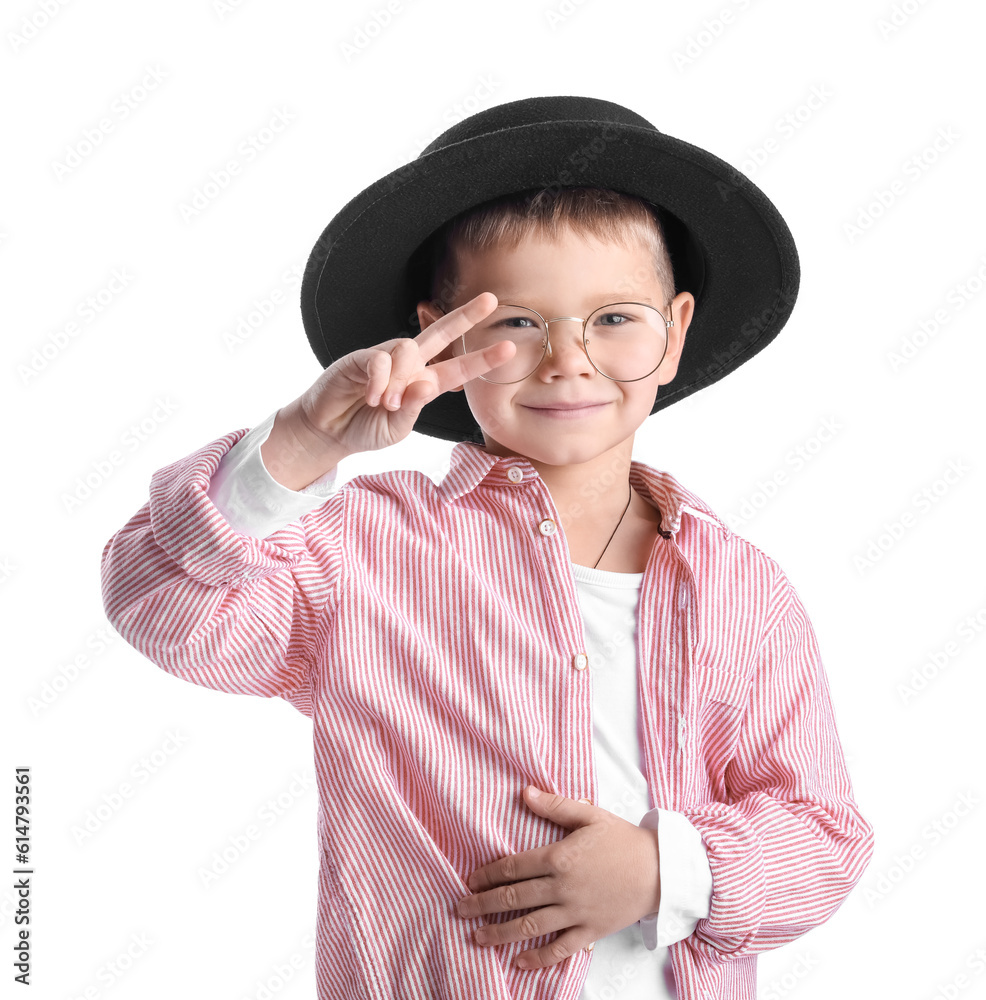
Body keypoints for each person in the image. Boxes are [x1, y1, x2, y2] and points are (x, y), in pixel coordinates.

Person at [100, 95, 874, 1000]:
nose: (567, 360)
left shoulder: (740, 586)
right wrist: (304, 442)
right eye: (515, 322)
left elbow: (823, 834)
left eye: (615, 318)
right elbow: (165, 606)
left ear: (677, 333)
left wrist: (664, 870)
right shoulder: (364, 550)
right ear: (444, 331)